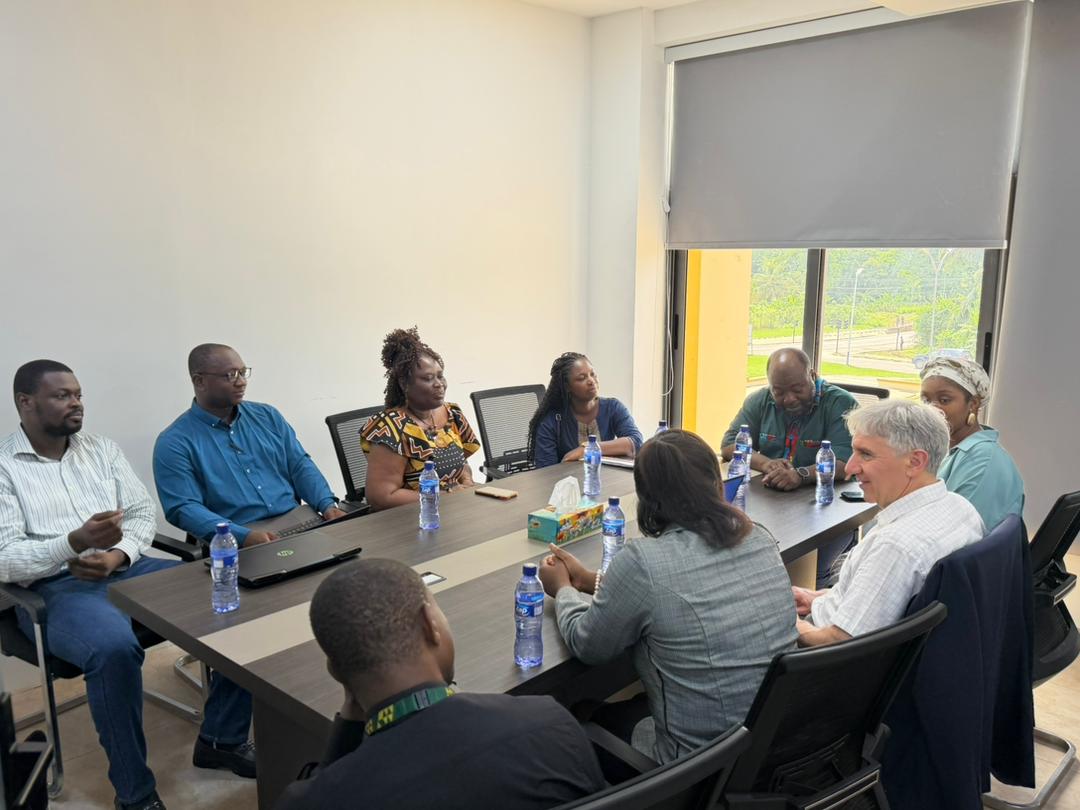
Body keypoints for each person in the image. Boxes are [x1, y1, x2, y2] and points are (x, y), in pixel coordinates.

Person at [0, 361, 255, 810]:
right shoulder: (4, 467)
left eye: (78, 394)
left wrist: (118, 554)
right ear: (26, 402)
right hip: (54, 588)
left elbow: (140, 514)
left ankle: (221, 739)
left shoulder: (101, 449)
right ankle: (134, 794)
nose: (76, 403)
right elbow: (5, 557)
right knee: (113, 648)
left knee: (237, 598)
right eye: (62, 395)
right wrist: (73, 543)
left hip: (126, 568)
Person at [537, 429, 797, 764]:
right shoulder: (758, 536)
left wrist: (563, 589)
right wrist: (590, 581)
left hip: (696, 767)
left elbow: (588, 645)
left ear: (647, 499)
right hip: (772, 743)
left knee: (579, 714)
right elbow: (673, 588)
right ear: (716, 483)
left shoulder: (643, 561)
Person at [275, 558, 606, 810]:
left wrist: (351, 710)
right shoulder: (550, 724)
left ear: (336, 672)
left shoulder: (314, 800)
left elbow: (324, 786)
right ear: (429, 624)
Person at [794, 399, 985, 648]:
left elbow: (840, 644)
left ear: (915, 462)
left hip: (821, 653)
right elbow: (881, 595)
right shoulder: (961, 509)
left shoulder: (895, 547)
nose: (850, 467)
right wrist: (818, 599)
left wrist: (784, 621)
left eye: (866, 454)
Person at [153, 344, 346, 547]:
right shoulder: (174, 442)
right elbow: (183, 507)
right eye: (231, 375)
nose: (242, 382)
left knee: (351, 554)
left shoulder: (268, 416)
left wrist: (327, 505)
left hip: (298, 521)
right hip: (237, 537)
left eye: (243, 372)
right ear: (199, 381)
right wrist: (241, 536)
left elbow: (299, 465)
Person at [361, 328, 480, 510]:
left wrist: (467, 481)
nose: (439, 384)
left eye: (440, 376)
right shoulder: (391, 428)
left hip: (455, 509)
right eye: (428, 378)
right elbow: (381, 497)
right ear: (404, 383)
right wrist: (445, 497)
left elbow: (462, 463)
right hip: (413, 518)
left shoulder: (452, 413)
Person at [919, 356, 1024, 531]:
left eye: (944, 400)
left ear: (973, 404)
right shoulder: (950, 450)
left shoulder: (982, 460)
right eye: (926, 400)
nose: (932, 409)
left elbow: (954, 534)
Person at [527, 352, 643, 469]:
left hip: (606, 477)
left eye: (592, 374)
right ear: (567, 386)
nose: (591, 381)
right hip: (568, 480)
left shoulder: (612, 407)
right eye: (582, 378)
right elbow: (545, 471)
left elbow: (636, 442)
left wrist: (586, 449)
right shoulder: (551, 421)